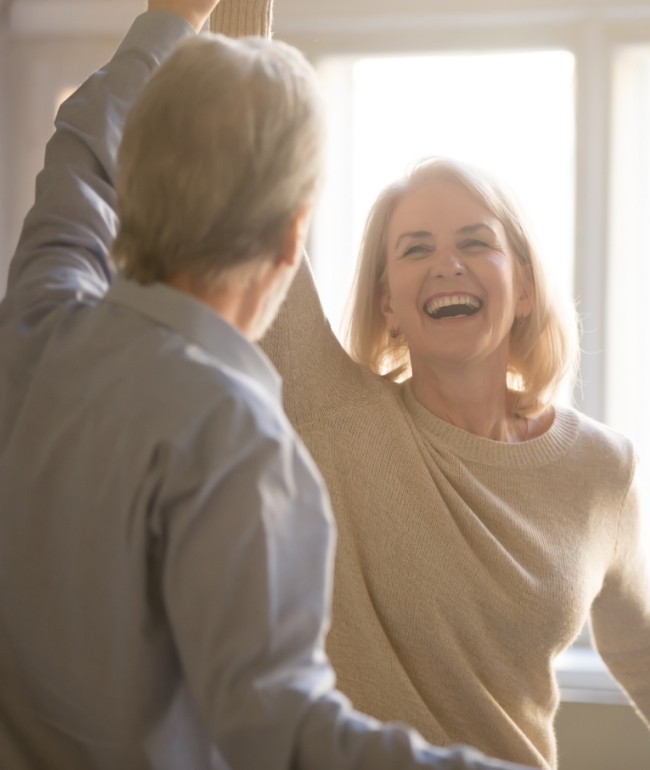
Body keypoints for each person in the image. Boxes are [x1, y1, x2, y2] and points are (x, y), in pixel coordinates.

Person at [0, 1, 539, 769]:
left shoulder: (36, 319)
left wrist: (170, 20)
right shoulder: (241, 446)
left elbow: (80, 157)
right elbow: (280, 733)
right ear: (295, 236)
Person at [261, 150, 650, 768]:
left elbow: (646, 653)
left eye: (475, 243)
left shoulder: (604, 469)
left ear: (525, 287)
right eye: (415, 250)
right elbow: (245, 180)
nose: (447, 265)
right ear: (388, 303)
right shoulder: (330, 415)